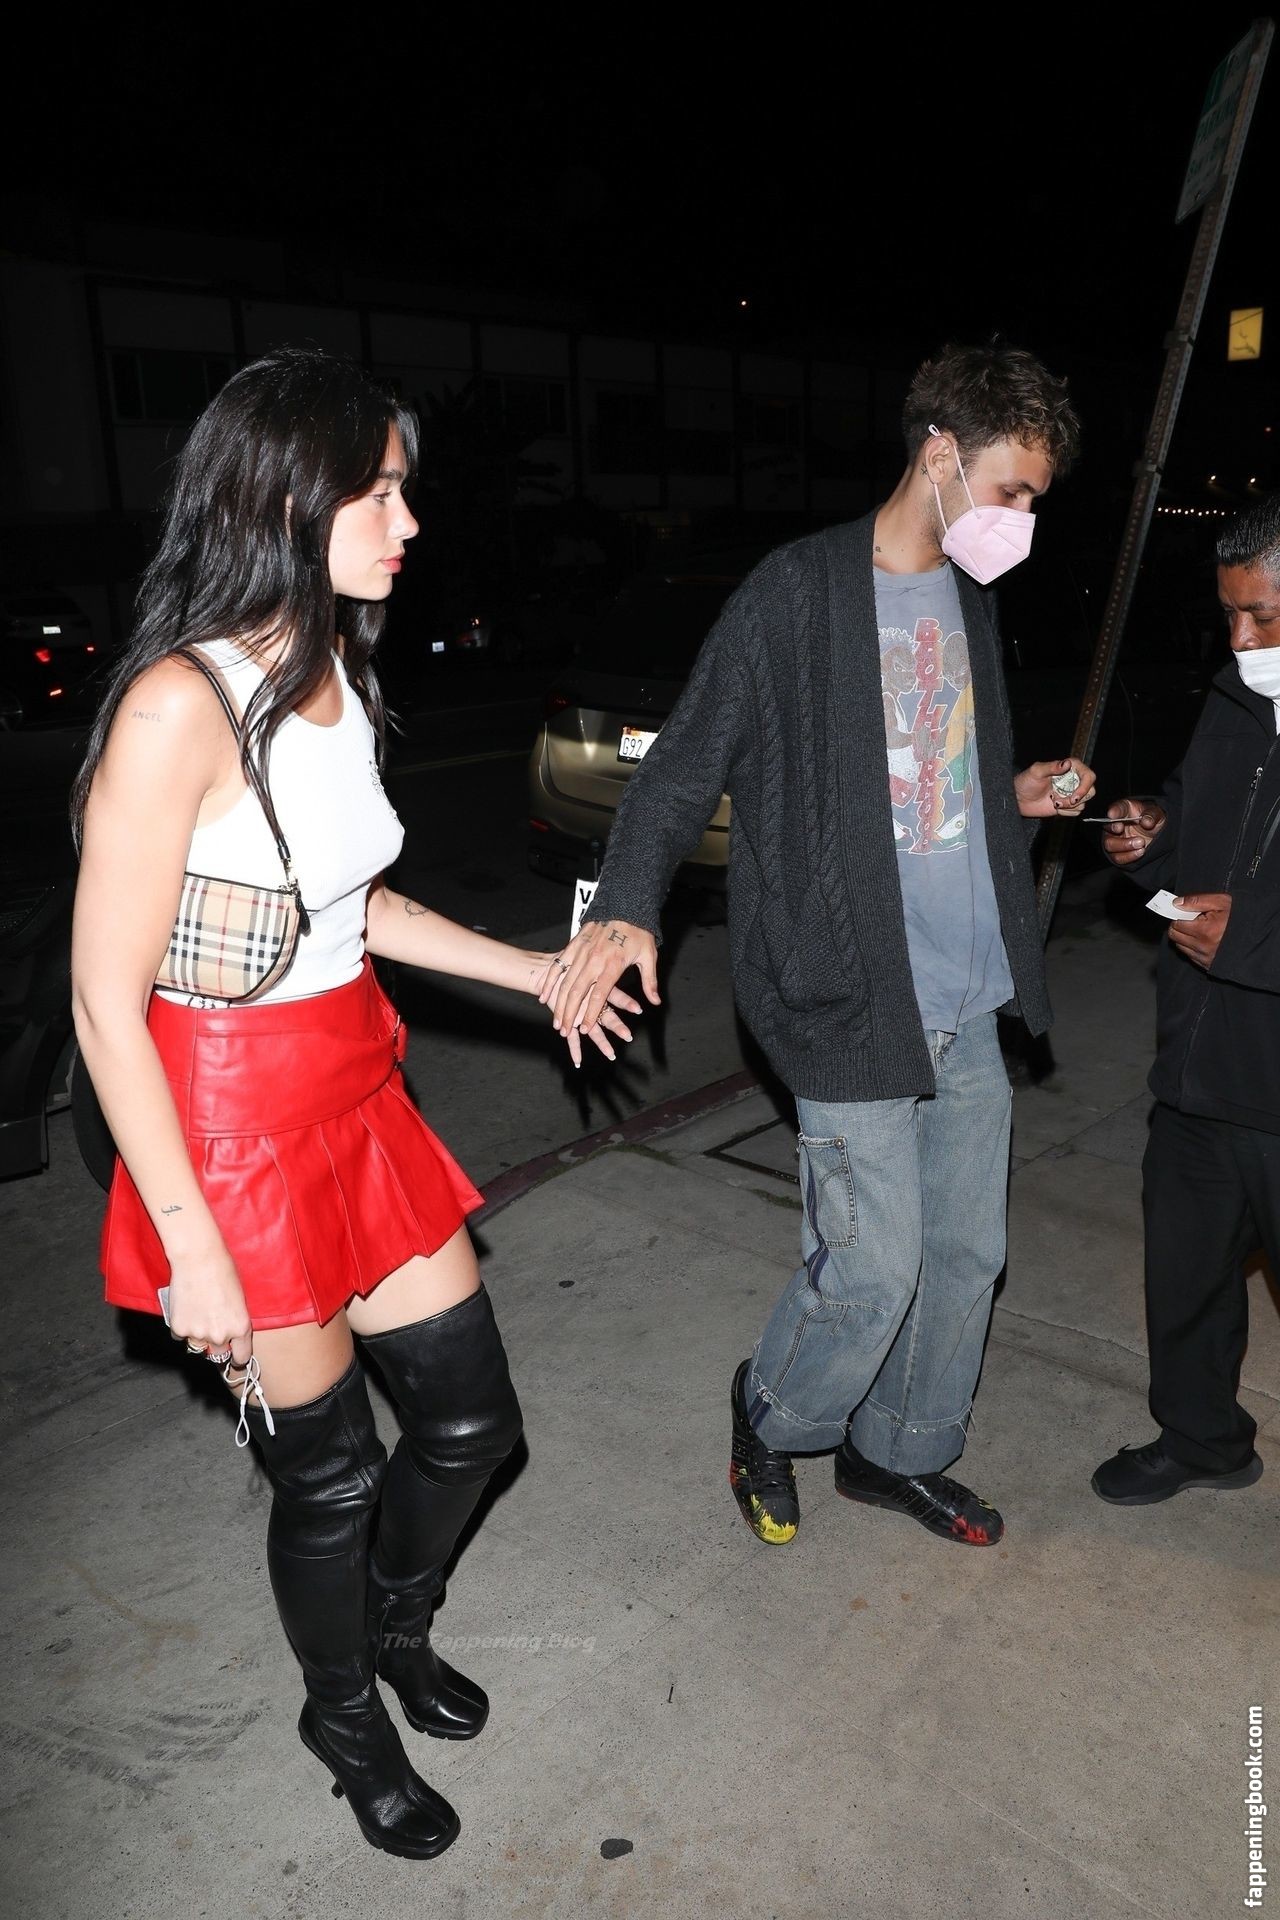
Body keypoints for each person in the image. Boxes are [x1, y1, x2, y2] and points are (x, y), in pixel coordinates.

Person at [69, 346, 638, 1861]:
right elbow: (103, 1006)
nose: (408, 521)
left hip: (356, 1092)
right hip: (228, 1135)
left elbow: (354, 906)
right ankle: (343, 1714)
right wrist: (191, 1245)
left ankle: (395, 1625)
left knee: (470, 1420)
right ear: (282, 495)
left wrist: (535, 973)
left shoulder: (335, 669)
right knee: (328, 1479)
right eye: (377, 491)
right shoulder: (177, 707)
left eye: (404, 489)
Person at [544, 340, 1091, 1550]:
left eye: (1032, 501)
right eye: (1010, 490)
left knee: (964, 1257)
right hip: (844, 991)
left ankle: (896, 1452)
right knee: (872, 1266)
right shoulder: (794, 594)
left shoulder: (969, 597)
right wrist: (624, 904)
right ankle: (772, 1409)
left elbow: (928, 784)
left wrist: (1015, 794)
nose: (1019, 521)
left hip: (964, 987)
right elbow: (681, 765)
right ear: (939, 455)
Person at [1090, 493, 1280, 1505]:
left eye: (1261, 615)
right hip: (1200, 1065)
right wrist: (1151, 836)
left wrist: (1252, 939)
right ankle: (1202, 1440)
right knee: (1185, 1279)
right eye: (1229, 613)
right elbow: (1200, 825)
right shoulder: (1235, 699)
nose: (1239, 639)